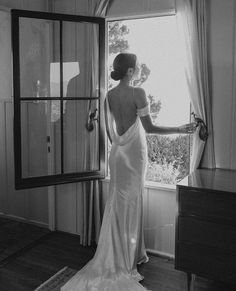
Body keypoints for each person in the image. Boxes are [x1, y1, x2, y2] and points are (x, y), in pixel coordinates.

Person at [61, 53, 197, 291]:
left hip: (118, 152)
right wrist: (181, 129)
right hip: (134, 153)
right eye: (136, 68)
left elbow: (107, 129)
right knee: (131, 202)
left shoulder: (109, 96)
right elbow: (150, 127)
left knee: (117, 201)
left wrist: (118, 143)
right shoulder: (138, 92)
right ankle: (126, 258)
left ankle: (124, 252)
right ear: (131, 71)